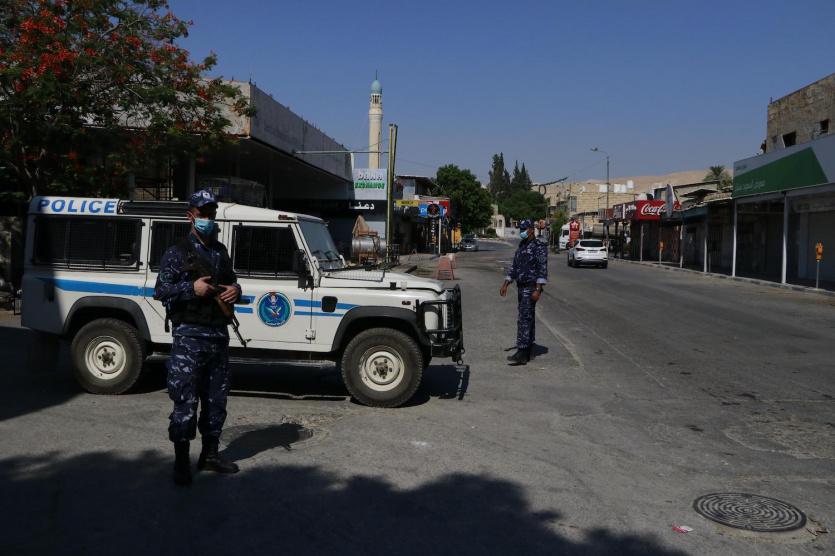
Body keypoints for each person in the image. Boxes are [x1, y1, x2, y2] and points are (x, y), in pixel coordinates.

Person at [154, 189, 241, 486]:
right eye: (203, 213)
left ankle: (210, 456)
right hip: (189, 338)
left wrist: (235, 290)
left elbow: (231, 281)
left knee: (216, 400)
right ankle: (181, 463)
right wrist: (192, 289)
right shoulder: (177, 252)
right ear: (190, 216)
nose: (208, 218)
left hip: (218, 336)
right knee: (185, 401)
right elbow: (161, 290)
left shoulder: (220, 251)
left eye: (212, 214)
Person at [500, 219, 548, 365]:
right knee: (528, 317)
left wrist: (538, 289)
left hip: (531, 287)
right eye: (520, 229)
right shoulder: (522, 245)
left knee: (524, 318)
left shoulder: (539, 246)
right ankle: (529, 349)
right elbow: (514, 266)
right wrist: (506, 283)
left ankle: (522, 351)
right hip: (521, 286)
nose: (521, 231)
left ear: (531, 229)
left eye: (524, 229)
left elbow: (542, 268)